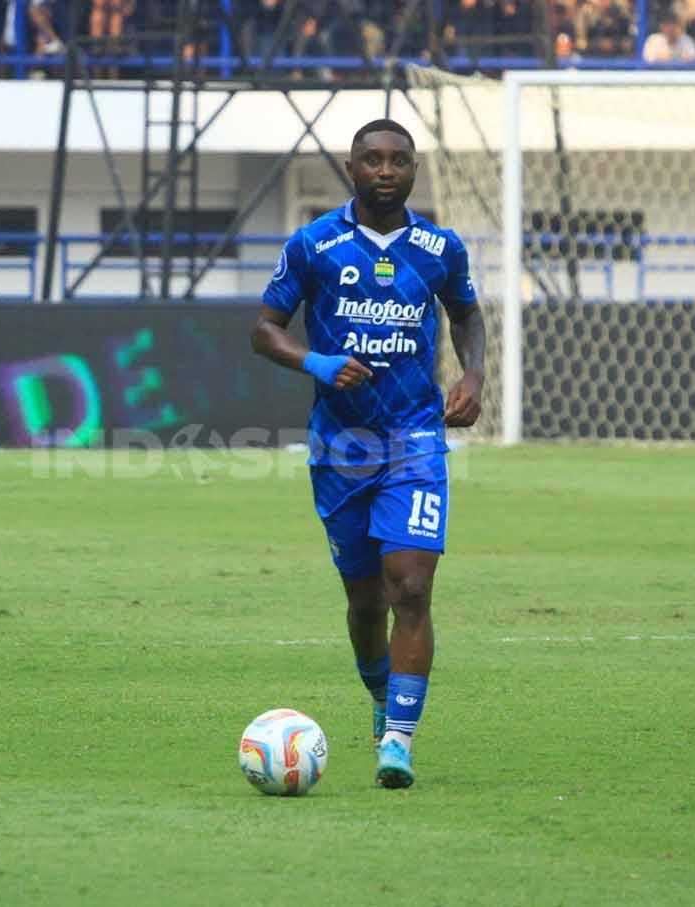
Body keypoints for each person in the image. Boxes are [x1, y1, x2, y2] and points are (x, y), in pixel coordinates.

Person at [250, 118, 486, 790]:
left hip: (414, 438)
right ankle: (382, 699)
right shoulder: (313, 245)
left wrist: (472, 378)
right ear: (351, 167)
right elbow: (264, 329)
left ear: (414, 170)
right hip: (339, 448)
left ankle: (399, 741)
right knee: (364, 602)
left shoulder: (440, 248)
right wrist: (317, 360)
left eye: (400, 160)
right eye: (373, 159)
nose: (387, 169)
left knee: (410, 584)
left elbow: (467, 314)